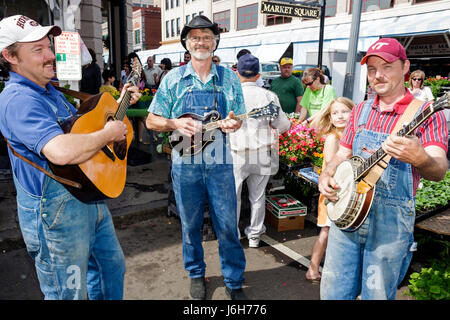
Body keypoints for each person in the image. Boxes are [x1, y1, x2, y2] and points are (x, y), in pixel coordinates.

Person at [0, 15, 142, 299]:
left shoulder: (49, 91)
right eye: (37, 50)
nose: (50, 55)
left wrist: (118, 107)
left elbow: (81, 131)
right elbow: (61, 151)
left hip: (88, 196)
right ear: (10, 56)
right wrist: (108, 134)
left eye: (48, 46)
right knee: (71, 292)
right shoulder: (18, 99)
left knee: (109, 269)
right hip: (56, 211)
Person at [318, 38, 448, 300]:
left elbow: (439, 169)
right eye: (372, 69)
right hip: (347, 217)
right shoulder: (361, 110)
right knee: (333, 293)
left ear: (405, 67)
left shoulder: (428, 113)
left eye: (387, 66)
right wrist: (327, 172)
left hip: (391, 224)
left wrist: (420, 158)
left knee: (376, 296)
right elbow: (343, 153)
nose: (378, 75)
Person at [145, 15, 248, 300]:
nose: (201, 42)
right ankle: (195, 273)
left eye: (207, 37)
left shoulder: (229, 78)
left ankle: (234, 280)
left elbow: (237, 118)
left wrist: (232, 123)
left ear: (215, 43)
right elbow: (152, 120)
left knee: (227, 224)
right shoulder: (173, 79)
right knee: (190, 225)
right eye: (195, 37)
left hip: (220, 162)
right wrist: (175, 123)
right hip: (184, 163)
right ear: (186, 44)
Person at [230, 54, 291, 248]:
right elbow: (283, 124)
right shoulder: (268, 96)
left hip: (236, 152)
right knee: (257, 196)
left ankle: (234, 233)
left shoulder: (231, 95)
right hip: (262, 152)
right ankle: (255, 235)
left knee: (235, 196)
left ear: (237, 73)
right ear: (258, 75)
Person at [305, 97, 354, 283]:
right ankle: (313, 269)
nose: (340, 116)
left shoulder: (352, 135)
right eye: (335, 113)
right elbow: (330, 170)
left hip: (346, 192)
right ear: (330, 118)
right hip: (332, 193)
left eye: (344, 111)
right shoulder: (333, 138)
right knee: (326, 231)